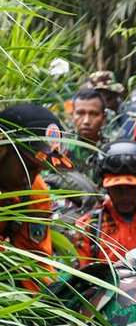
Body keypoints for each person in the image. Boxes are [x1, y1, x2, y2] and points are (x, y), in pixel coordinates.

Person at [0, 102, 73, 288]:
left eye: (39, 170)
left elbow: (35, 260)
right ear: (3, 149)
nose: (31, 179)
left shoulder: (33, 191)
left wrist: (49, 306)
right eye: (29, 167)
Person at [74, 139, 136, 267]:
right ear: (106, 186)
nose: (125, 196)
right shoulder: (88, 226)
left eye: (131, 188)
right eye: (117, 188)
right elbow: (81, 277)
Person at [67, 87, 107, 178]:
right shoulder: (61, 145)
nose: (86, 121)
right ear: (72, 115)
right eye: (80, 113)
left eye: (93, 114)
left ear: (104, 118)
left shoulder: (111, 148)